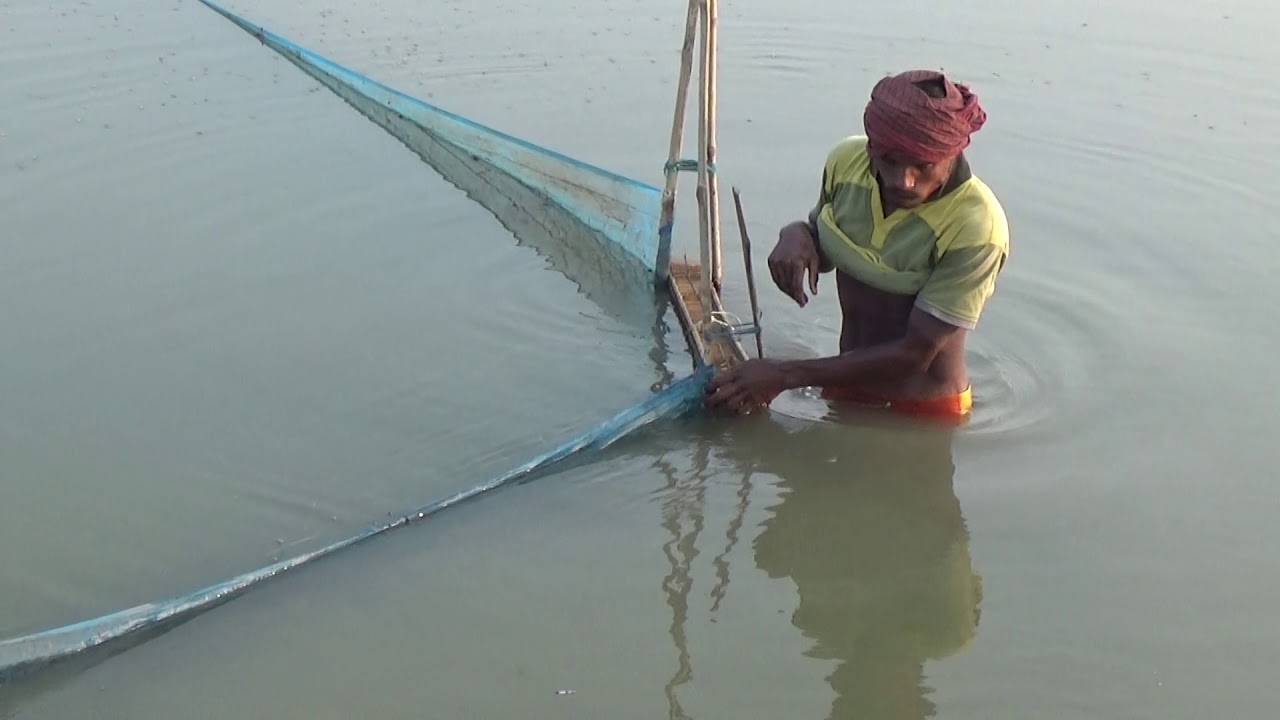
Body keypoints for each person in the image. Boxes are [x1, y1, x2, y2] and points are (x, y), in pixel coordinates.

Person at [704, 69, 1010, 421]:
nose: (903, 182)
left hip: (923, 411)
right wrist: (797, 234)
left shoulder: (977, 225)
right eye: (889, 160)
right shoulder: (847, 163)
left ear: (951, 154)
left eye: (923, 165)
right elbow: (829, 246)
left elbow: (914, 353)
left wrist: (785, 375)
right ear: (871, 147)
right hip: (842, 384)